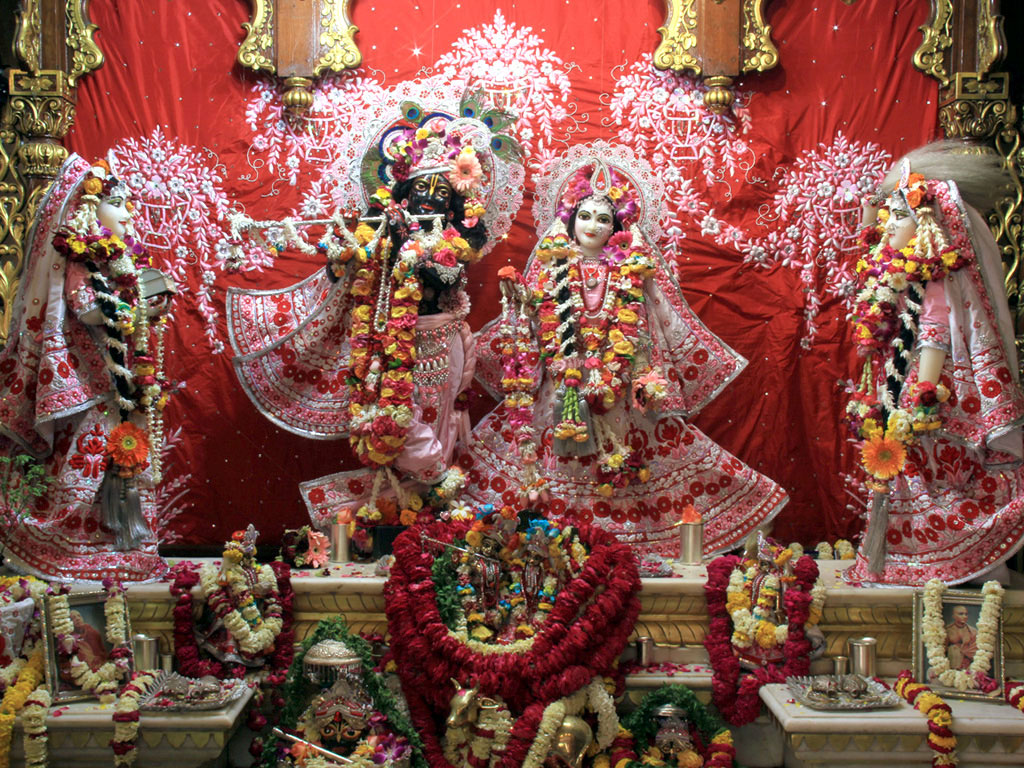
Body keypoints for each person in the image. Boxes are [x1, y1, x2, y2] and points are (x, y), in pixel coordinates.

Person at [459, 142, 787, 556]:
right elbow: (533, 322)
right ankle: (552, 540)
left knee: (627, 455)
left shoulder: (629, 271)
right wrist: (518, 300)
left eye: (603, 218)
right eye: (584, 216)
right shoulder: (552, 264)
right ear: (568, 220)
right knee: (543, 449)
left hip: (616, 384)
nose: (593, 226)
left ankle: (625, 536)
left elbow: (645, 328)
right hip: (560, 384)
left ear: (617, 227)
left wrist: (642, 376)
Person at [227, 93, 525, 526]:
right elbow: (347, 267)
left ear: (454, 201)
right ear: (404, 190)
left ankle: (427, 516)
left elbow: (446, 279)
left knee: (440, 420)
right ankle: (428, 486)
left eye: (441, 192)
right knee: (393, 421)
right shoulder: (385, 227)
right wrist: (343, 256)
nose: (429, 198)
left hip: (442, 337)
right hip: (388, 339)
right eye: (420, 189)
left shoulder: (452, 241)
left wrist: (418, 256)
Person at [845, 141, 1024, 585]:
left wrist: (922, 395)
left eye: (898, 217)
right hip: (905, 383)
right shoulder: (900, 277)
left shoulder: (935, 278)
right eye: (888, 218)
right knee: (912, 474)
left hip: (933, 392)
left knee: (935, 475)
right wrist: (874, 208)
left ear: (928, 222)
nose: (888, 226)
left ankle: (972, 559)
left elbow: (936, 334)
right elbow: (870, 253)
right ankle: (925, 559)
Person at [0, 155, 174, 582]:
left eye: (128, 204)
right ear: (90, 209)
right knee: (89, 460)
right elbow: (88, 309)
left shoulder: (121, 260)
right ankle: (69, 549)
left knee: (124, 457)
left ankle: (120, 545)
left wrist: (149, 302)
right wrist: (136, 305)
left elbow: (125, 309)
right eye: (118, 204)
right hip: (86, 383)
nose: (128, 213)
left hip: (117, 381)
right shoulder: (80, 258)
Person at [945, 605, 978, 671]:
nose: (964, 616)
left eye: (966, 614)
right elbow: (942, 650)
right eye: (961, 614)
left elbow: (976, 651)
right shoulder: (947, 630)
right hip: (951, 667)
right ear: (953, 616)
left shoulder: (973, 631)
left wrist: (965, 652)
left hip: (968, 668)